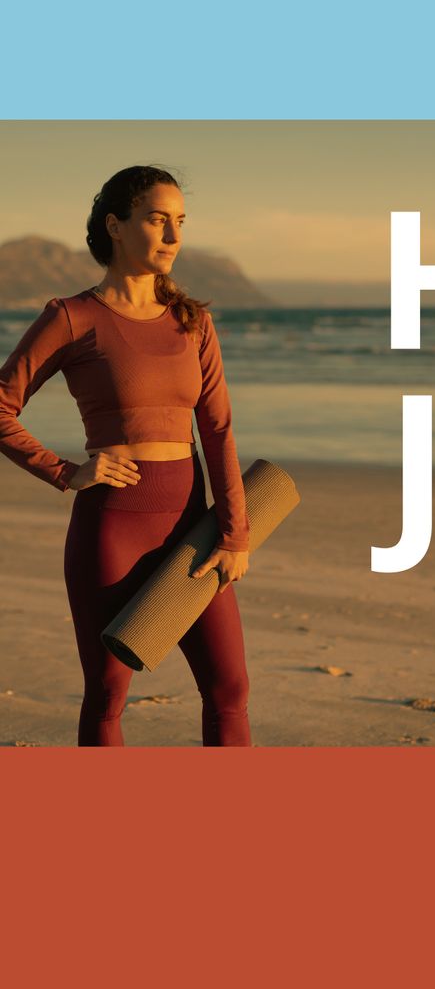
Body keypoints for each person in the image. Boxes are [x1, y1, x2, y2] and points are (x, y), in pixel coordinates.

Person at [0, 165, 253, 746]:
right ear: (115, 226)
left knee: (229, 689)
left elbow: (217, 430)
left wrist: (234, 533)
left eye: (179, 222)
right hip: (113, 527)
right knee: (109, 695)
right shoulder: (72, 316)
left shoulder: (193, 322)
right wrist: (65, 471)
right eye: (156, 219)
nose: (172, 236)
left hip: (191, 529)